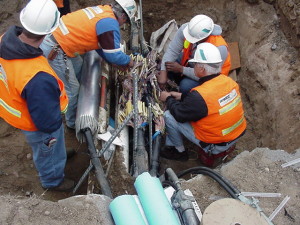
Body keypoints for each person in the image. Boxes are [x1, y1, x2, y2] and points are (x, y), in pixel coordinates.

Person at [0, 0, 74, 191]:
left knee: (51, 149)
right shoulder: (38, 77)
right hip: (36, 124)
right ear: (48, 31)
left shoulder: (4, 41)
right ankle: (52, 181)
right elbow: (47, 123)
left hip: (16, 105)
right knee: (47, 149)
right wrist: (55, 124)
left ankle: (58, 154)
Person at [40, 0, 137, 130]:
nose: (122, 24)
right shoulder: (109, 22)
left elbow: (98, 44)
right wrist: (129, 61)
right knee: (72, 90)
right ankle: (73, 123)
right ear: (123, 16)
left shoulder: (103, 11)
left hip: (62, 42)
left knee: (80, 69)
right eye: (125, 22)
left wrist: (112, 61)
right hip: (56, 49)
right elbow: (113, 54)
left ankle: (82, 104)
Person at [159, 43, 246, 164]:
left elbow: (179, 114)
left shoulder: (199, 96)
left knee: (169, 116)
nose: (192, 66)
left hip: (215, 145)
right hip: (234, 135)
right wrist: (182, 96)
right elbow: (211, 102)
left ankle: (179, 152)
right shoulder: (228, 82)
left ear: (202, 69)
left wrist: (168, 99)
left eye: (194, 64)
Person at [157, 14, 231, 95]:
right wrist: (163, 72)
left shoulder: (219, 48)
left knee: (185, 85)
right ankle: (171, 83)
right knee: (170, 63)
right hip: (193, 62)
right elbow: (172, 50)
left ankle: (185, 99)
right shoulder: (187, 30)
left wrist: (182, 69)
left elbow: (206, 74)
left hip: (209, 77)